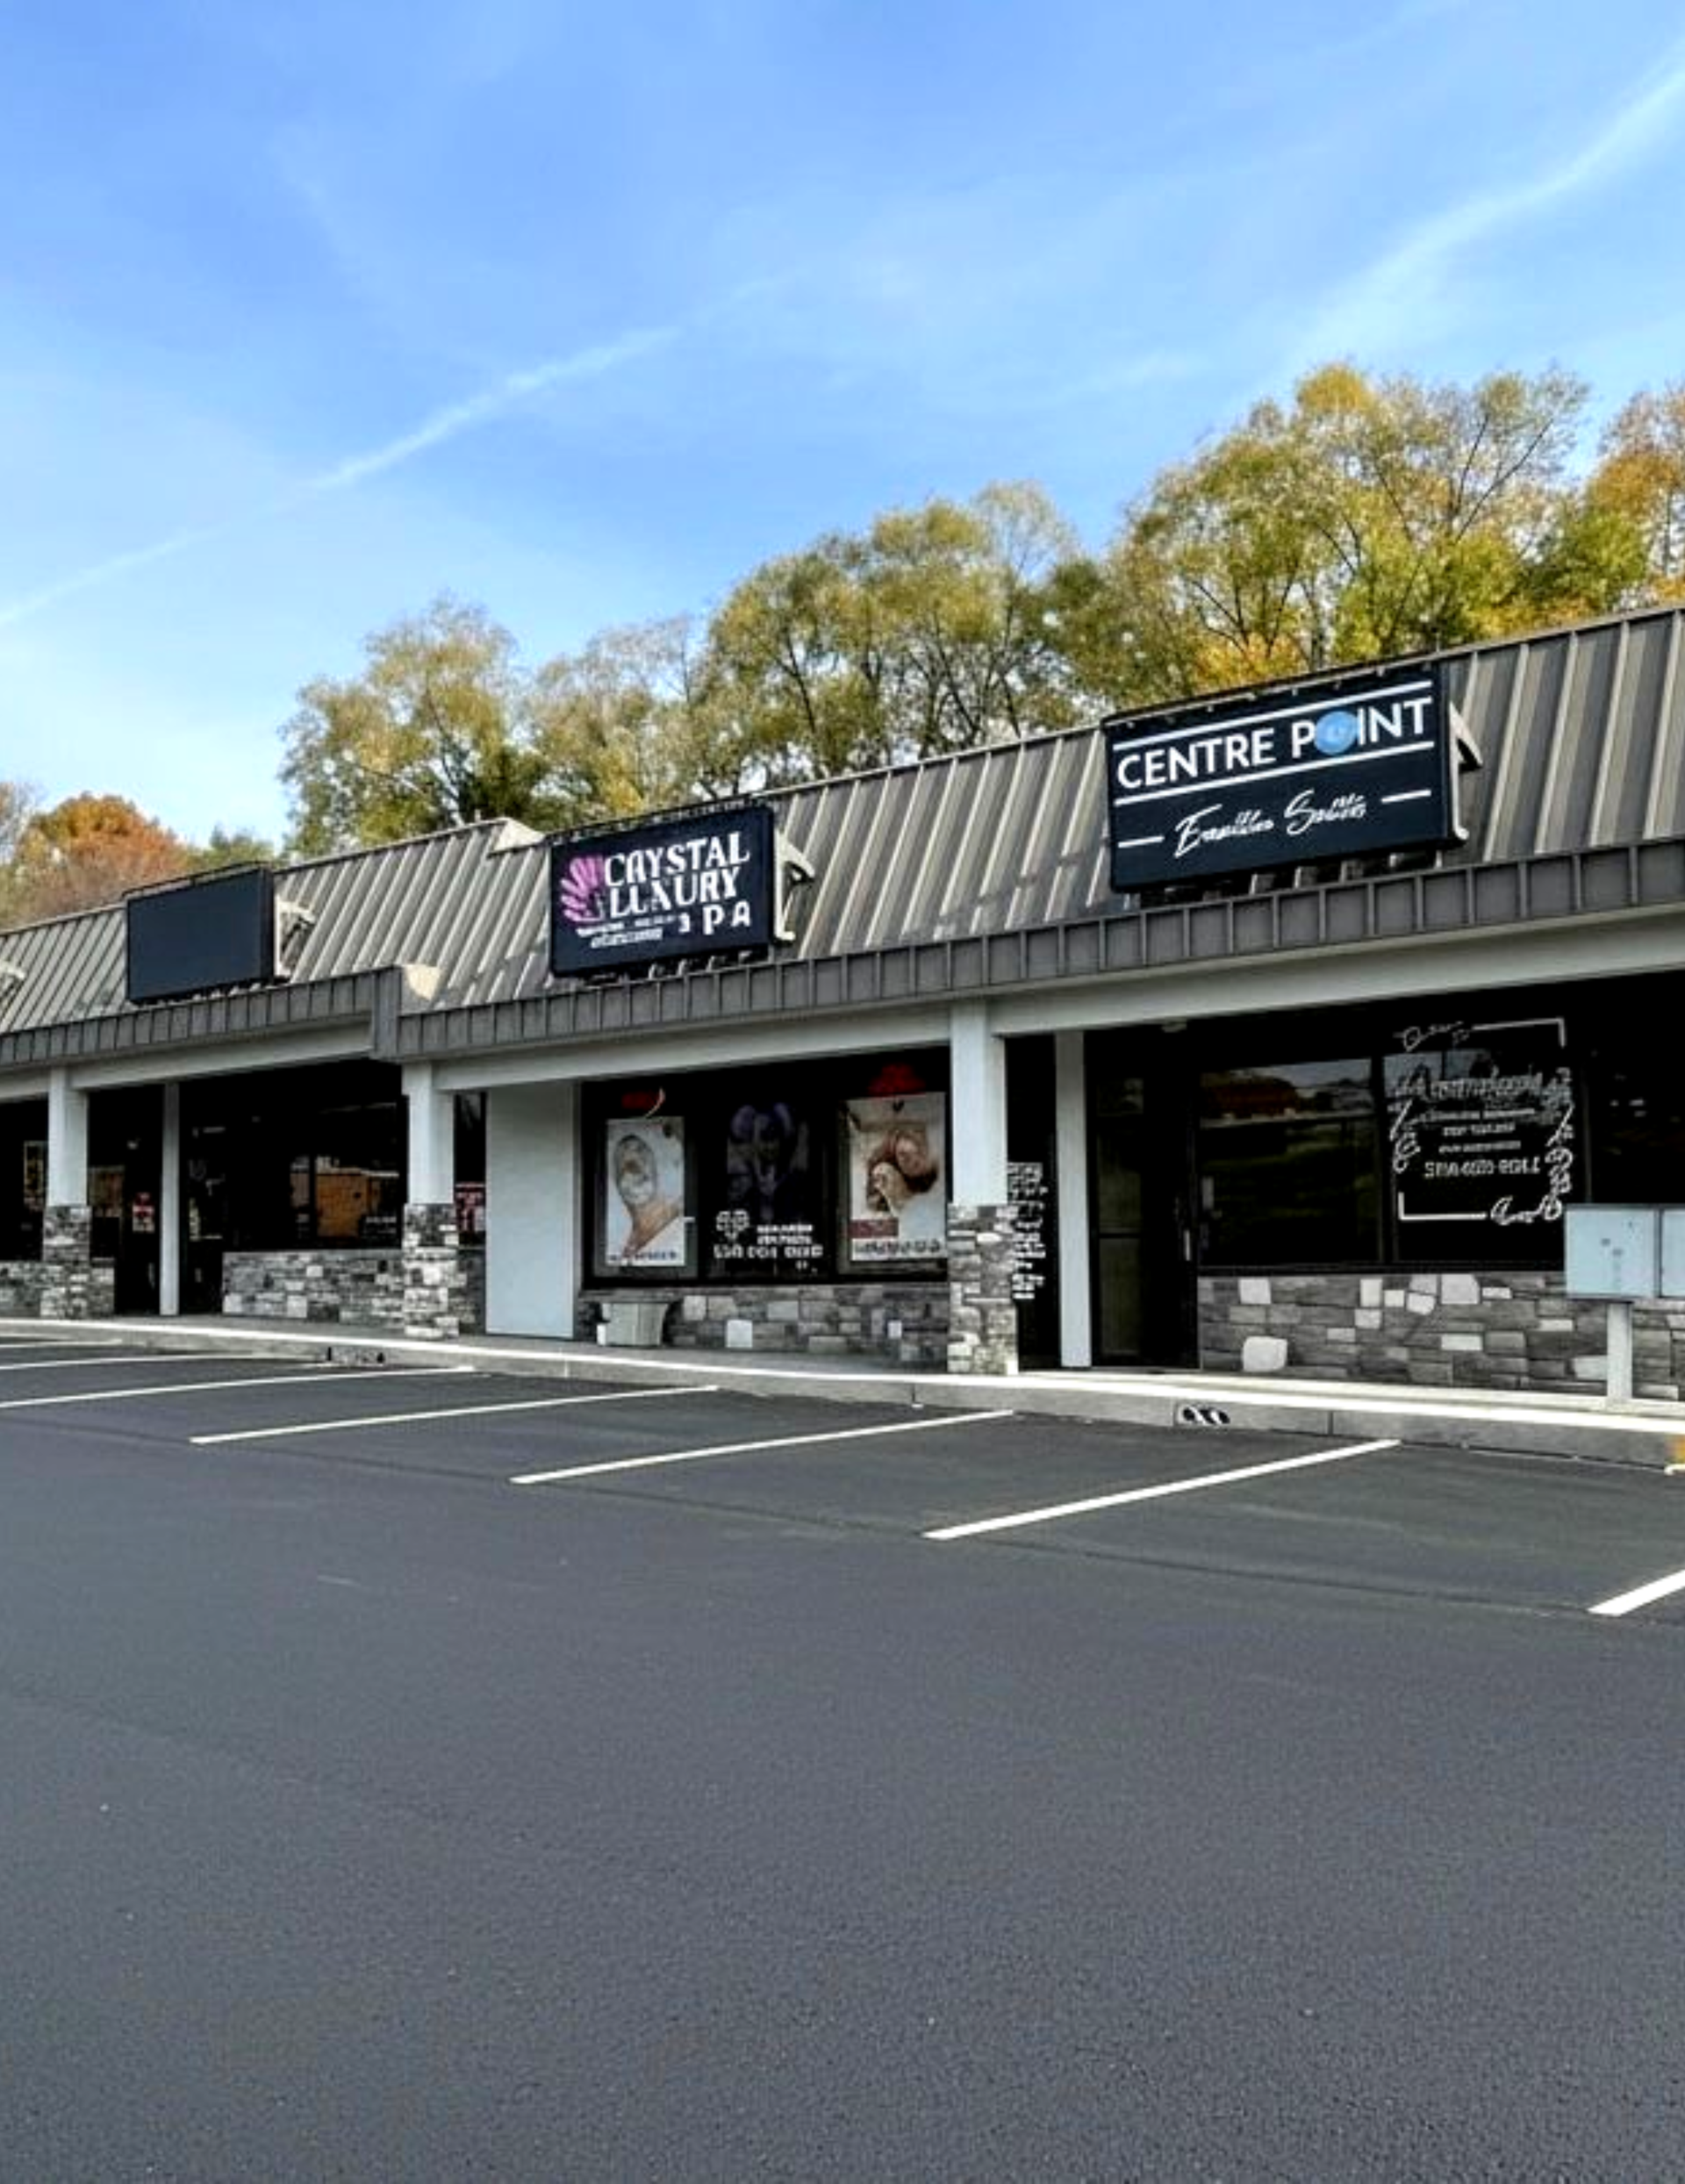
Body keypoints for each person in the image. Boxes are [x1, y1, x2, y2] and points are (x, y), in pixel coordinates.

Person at [611, 1128, 684, 1261]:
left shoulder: (683, 1217)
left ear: (657, 1169)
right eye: (625, 1162)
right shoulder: (622, 1245)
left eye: (640, 1151)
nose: (632, 1170)